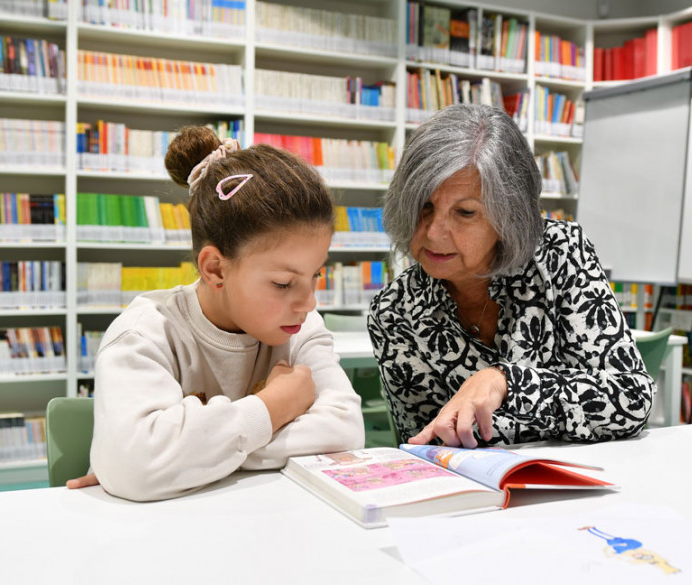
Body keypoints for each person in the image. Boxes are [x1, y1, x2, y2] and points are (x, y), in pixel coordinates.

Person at [68, 127, 364, 501]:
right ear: (216, 270)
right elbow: (139, 466)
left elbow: (346, 431)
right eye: (283, 284)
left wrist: (183, 460)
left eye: (316, 275)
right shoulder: (144, 334)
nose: (309, 303)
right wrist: (277, 405)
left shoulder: (302, 328)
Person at [367, 104, 653, 448]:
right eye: (424, 206)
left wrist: (504, 382)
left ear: (509, 216)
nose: (434, 232)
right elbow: (427, 444)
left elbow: (632, 398)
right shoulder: (394, 312)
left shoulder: (561, 255)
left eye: (465, 212)